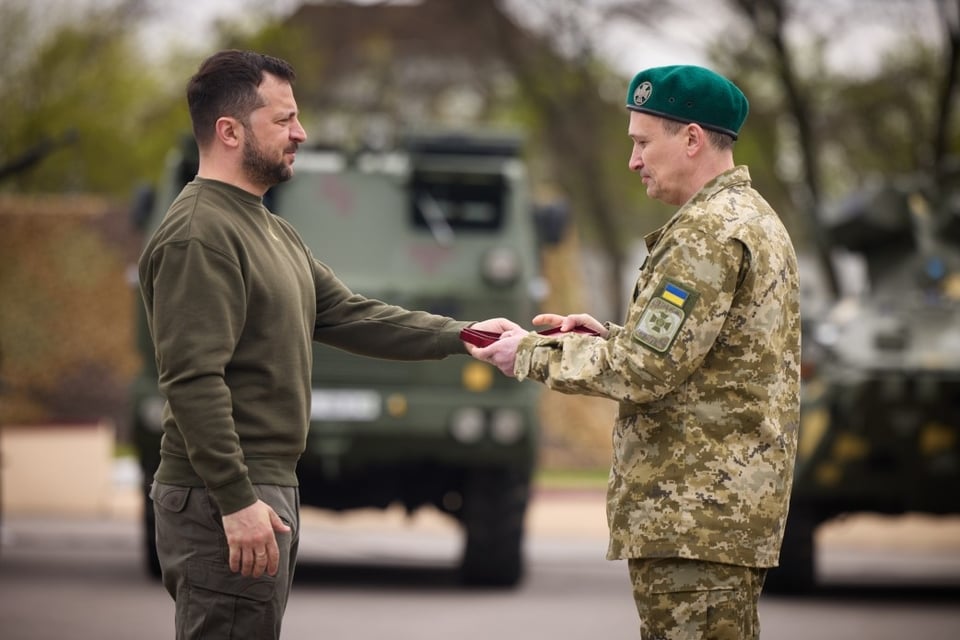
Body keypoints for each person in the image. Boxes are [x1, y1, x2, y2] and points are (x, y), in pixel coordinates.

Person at [138, 49, 511, 640]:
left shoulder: (268, 227)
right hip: (225, 494)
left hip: (265, 485)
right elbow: (192, 380)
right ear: (229, 131)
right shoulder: (198, 236)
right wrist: (235, 501)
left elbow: (347, 313)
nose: (300, 133)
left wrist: (466, 336)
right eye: (283, 120)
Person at [469, 65, 801, 639]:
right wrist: (609, 336)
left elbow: (646, 370)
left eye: (643, 142)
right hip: (718, 517)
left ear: (692, 139)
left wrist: (527, 353)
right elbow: (703, 356)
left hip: (693, 519)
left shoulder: (705, 233)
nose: (633, 160)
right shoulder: (751, 219)